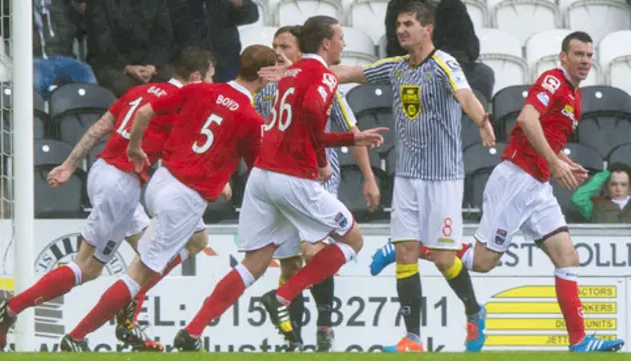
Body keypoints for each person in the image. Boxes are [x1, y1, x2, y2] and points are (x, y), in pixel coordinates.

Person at [169, 15, 387, 352]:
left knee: (254, 264)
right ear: (326, 43)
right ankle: (282, 297)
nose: (344, 43)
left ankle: (193, 331)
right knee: (353, 239)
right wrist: (327, 154)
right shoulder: (322, 76)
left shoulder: (287, 77)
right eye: (341, 37)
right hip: (292, 177)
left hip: (262, 176)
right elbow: (314, 112)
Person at [0, 47, 216, 352]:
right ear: (196, 76)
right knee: (88, 268)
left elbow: (99, 128)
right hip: (121, 185)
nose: (212, 84)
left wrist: (69, 165)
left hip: (105, 173)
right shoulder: (179, 104)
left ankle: (128, 322)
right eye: (211, 77)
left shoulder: (142, 91)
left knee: (188, 242)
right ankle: (12, 310)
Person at [55, 44, 276, 352]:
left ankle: (132, 295)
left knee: (199, 240)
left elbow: (146, 111)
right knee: (138, 276)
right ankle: (77, 337)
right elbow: (256, 168)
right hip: (185, 198)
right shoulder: (252, 119)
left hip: (160, 181)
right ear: (264, 78)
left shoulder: (201, 91)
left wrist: (135, 147)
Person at [328, 1, 495, 352]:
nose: (401, 30)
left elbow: (465, 94)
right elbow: (352, 72)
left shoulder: (444, 63)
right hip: (406, 176)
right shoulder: (397, 67)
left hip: (443, 177)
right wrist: (304, 70)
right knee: (405, 252)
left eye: (408, 24)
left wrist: (482, 119)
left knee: (444, 259)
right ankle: (413, 339)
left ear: (427, 28)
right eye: (399, 24)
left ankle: (474, 311)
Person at [458, 31, 625, 352]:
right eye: (578, 54)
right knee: (482, 262)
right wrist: (554, 160)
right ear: (563, 57)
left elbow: (546, 136)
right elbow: (527, 118)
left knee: (568, 256)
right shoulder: (553, 81)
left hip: (538, 185)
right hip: (516, 179)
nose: (586, 61)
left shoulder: (576, 95)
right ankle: (416, 249)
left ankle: (579, 341)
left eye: (589, 55)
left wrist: (562, 160)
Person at [254, 24, 381, 352]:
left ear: (301, 49)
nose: (278, 51)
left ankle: (324, 326)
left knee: (314, 252)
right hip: (283, 177)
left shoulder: (323, 84)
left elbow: (350, 130)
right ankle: (292, 337)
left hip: (319, 177)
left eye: (285, 45)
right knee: (290, 261)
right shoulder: (268, 89)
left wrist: (368, 176)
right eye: (274, 45)